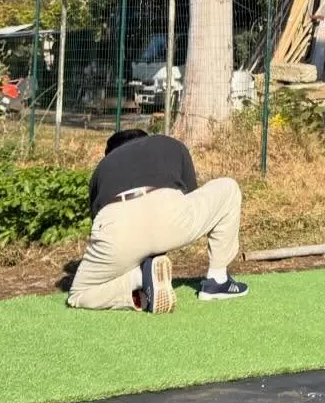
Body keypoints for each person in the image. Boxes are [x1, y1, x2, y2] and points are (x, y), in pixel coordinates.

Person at [67, 129, 247, 313]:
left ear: (110, 153)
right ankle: (217, 280)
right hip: (170, 214)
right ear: (147, 139)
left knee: (78, 294)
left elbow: (98, 224)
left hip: (117, 228)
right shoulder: (168, 143)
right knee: (228, 188)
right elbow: (191, 195)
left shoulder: (101, 168)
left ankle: (139, 278)